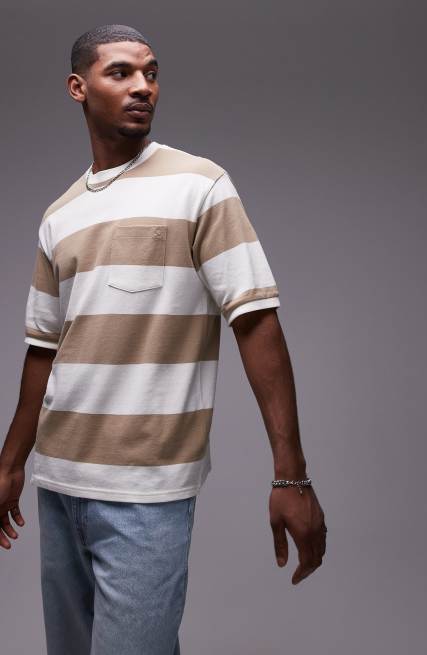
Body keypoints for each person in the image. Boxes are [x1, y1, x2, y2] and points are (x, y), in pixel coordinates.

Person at [0, 23, 327, 655]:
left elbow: (256, 321)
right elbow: (43, 349)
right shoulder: (59, 215)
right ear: (78, 87)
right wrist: (12, 464)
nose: (142, 86)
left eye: (150, 73)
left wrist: (291, 477)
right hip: (58, 483)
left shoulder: (200, 185)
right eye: (120, 72)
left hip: (146, 490)